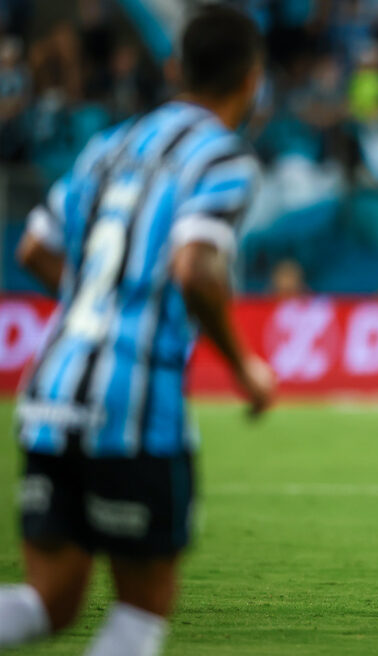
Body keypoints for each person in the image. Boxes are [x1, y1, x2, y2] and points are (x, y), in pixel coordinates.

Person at [0, 6, 275, 655]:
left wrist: (97, 290)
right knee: (140, 612)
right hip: (132, 407)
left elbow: (34, 248)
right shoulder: (223, 158)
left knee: (52, 599)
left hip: (52, 389)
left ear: (176, 69)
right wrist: (242, 367)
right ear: (253, 80)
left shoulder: (109, 145)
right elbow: (196, 270)